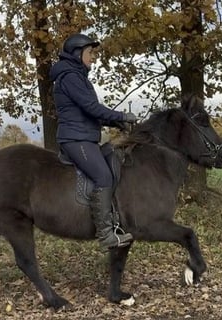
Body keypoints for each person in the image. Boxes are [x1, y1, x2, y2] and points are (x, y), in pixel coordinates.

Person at [49, 33, 137, 250]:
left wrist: (117, 125)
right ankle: (106, 234)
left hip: (85, 137)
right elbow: (91, 108)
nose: (93, 58)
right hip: (75, 139)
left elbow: (91, 112)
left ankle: (116, 219)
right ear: (78, 54)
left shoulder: (78, 77)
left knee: (115, 159)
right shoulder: (70, 77)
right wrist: (121, 116)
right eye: (90, 53)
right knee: (103, 176)